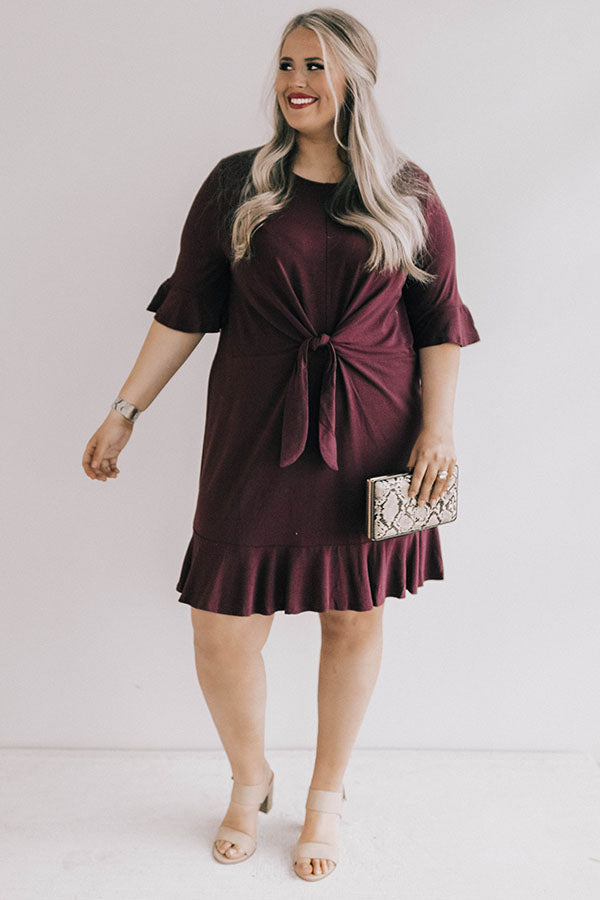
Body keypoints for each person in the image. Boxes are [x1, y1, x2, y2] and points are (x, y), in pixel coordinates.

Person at [82, 7, 480, 883]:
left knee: (354, 616)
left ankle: (326, 797)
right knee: (223, 629)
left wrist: (438, 429)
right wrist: (125, 409)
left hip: (372, 428)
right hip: (255, 428)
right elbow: (187, 307)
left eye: (316, 66)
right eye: (288, 64)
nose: (296, 81)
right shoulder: (240, 183)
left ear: (356, 82)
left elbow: (440, 322)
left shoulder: (405, 190)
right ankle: (250, 777)